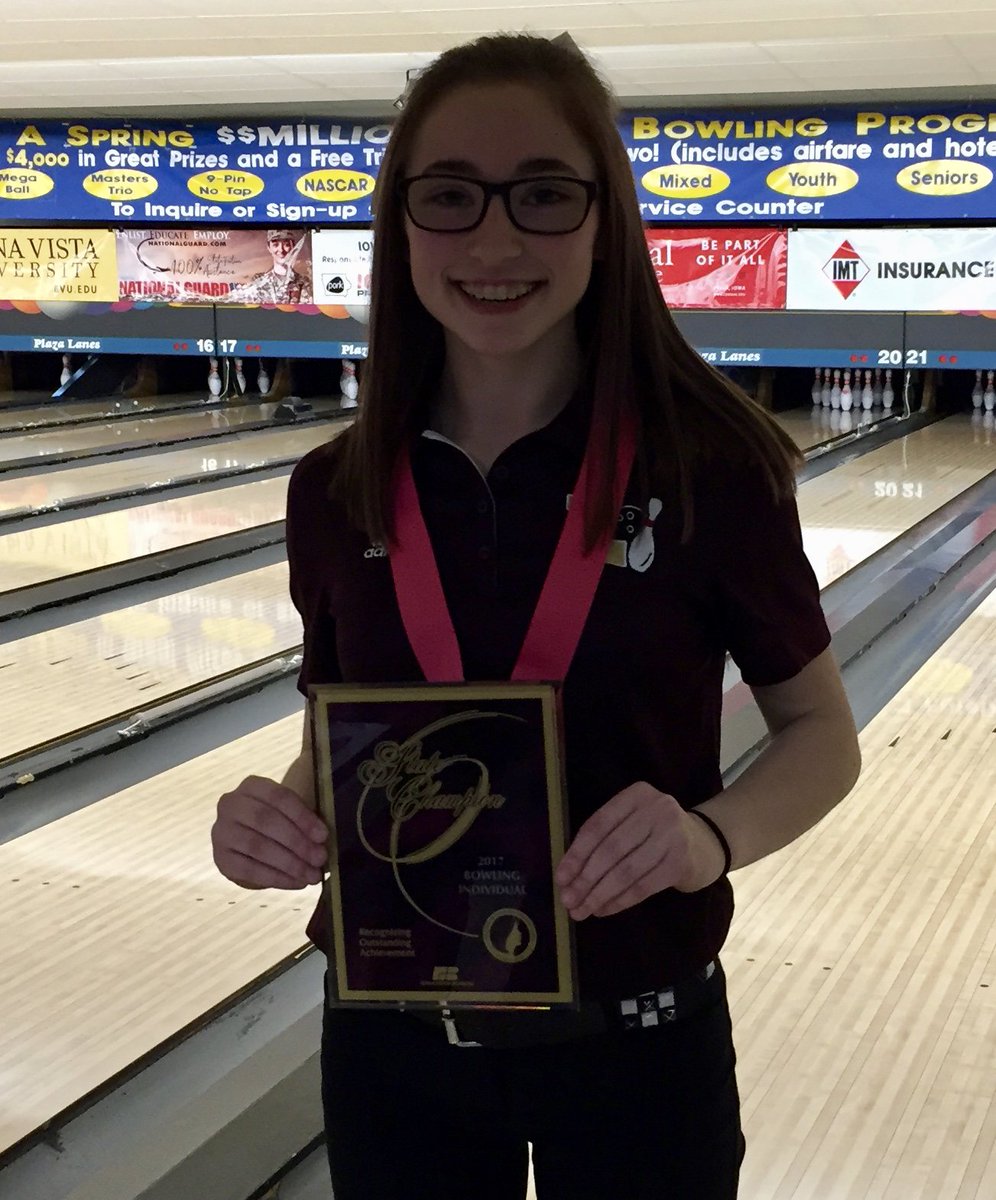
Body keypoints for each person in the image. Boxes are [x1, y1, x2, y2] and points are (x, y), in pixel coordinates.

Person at [211, 32, 862, 1200]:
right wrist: (285, 816)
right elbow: (336, 730)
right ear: (401, 220)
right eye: (451, 196)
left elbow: (822, 734)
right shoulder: (334, 486)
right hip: (394, 1042)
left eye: (545, 195)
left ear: (605, 220)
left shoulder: (713, 470)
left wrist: (709, 839)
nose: (496, 239)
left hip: (639, 1044)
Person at [227, 229, 313, 304]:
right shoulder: (259, 281)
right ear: (269, 247)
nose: (281, 250)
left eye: (286, 245)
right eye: (275, 245)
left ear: (293, 247)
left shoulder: (304, 283)